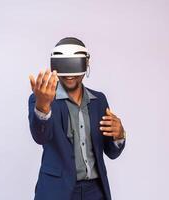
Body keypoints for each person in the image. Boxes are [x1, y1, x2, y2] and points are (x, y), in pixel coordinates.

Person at [28, 37, 126, 200]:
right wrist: (43, 106)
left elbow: (111, 152)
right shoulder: (40, 98)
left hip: (95, 191)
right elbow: (40, 137)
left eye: (74, 65)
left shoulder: (99, 100)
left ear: (86, 64)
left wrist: (119, 135)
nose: (70, 74)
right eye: (64, 65)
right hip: (57, 190)